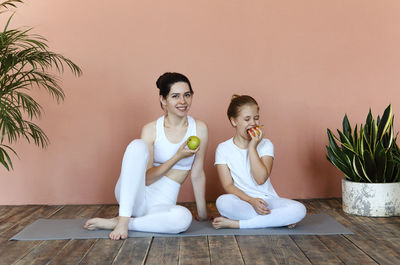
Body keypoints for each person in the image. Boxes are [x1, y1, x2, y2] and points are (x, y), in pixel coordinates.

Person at [84, 72, 209, 240]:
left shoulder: (199, 128)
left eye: (187, 95)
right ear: (163, 100)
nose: (183, 101)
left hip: (162, 203)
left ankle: (122, 222)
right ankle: (124, 219)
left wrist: (202, 214)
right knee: (137, 145)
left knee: (183, 219)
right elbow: (147, 179)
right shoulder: (151, 129)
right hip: (134, 194)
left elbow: (198, 173)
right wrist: (177, 157)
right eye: (175, 96)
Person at [212, 95, 306, 229]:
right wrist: (251, 200)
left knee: (299, 209)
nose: (253, 123)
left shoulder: (266, 144)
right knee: (222, 202)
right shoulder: (223, 149)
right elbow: (228, 185)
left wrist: (252, 147)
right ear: (233, 121)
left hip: (268, 201)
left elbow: (260, 179)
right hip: (242, 201)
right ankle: (276, 220)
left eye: (256, 118)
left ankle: (238, 224)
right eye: (247, 119)